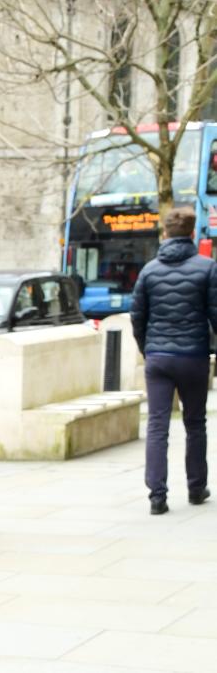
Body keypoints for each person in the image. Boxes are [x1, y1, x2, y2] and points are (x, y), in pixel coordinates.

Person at [130, 205, 216, 515]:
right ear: (193, 233)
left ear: (165, 233)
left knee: (157, 426)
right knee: (195, 424)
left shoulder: (149, 270)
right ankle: (196, 488)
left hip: (158, 358)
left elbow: (137, 315)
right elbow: (215, 314)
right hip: (193, 356)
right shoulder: (207, 268)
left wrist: (147, 348)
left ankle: (157, 496)